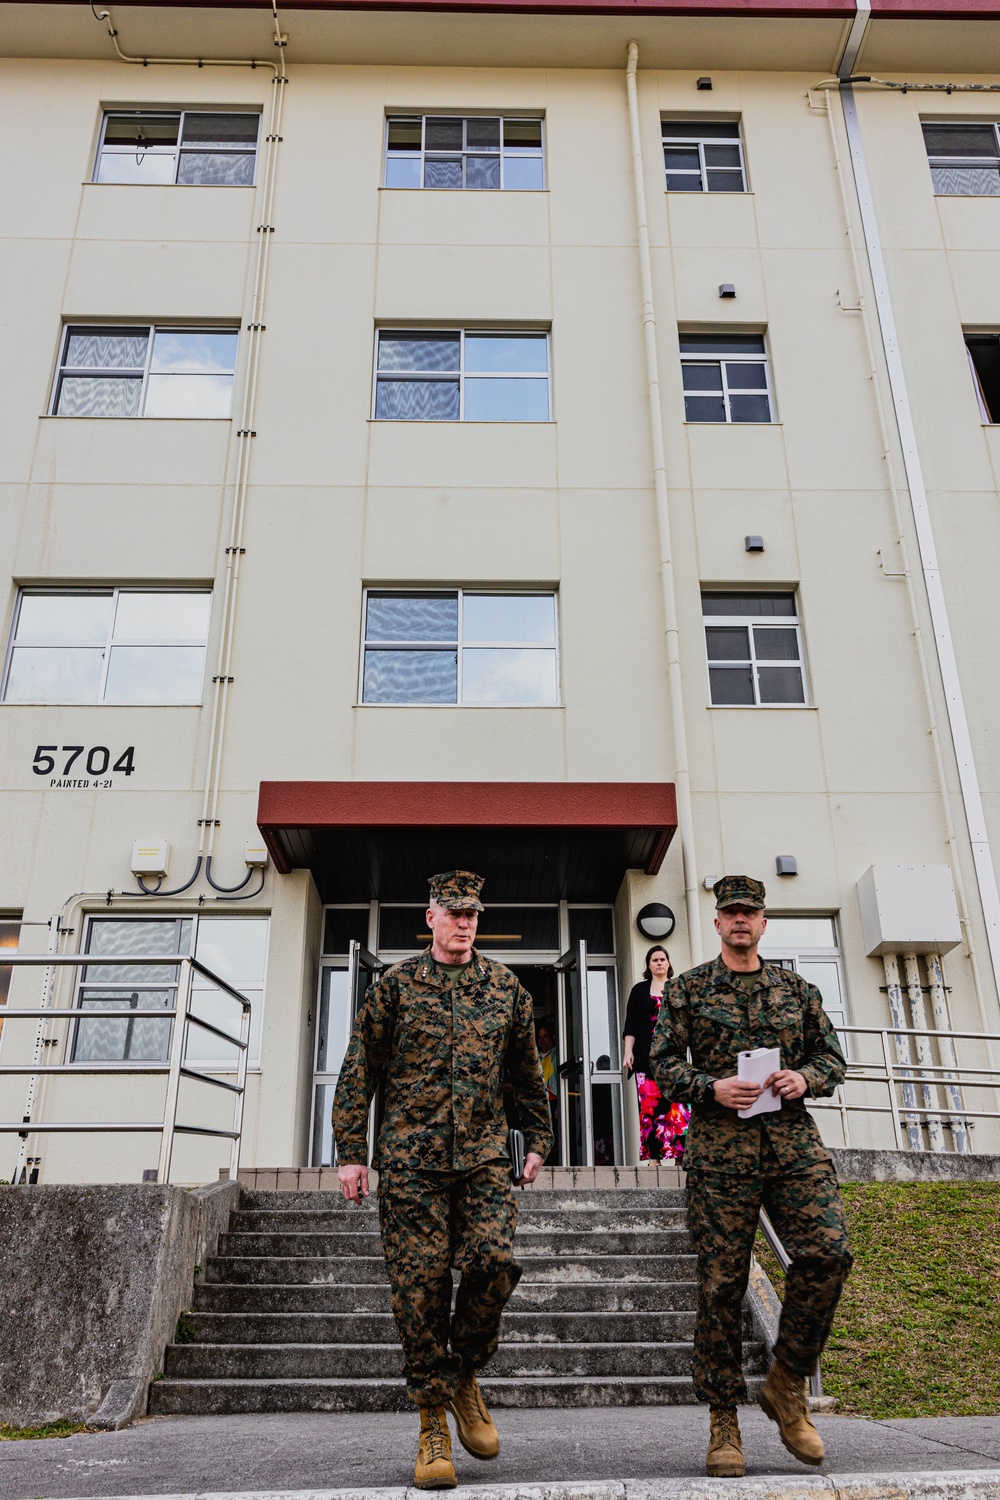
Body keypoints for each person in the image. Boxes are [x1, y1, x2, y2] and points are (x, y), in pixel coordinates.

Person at [332, 870, 553, 1491]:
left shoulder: (505, 988)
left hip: (483, 1158)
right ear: (429, 917)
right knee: (419, 1290)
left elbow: (525, 1075)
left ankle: (462, 1375)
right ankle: (432, 1421)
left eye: (472, 915)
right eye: (452, 913)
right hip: (410, 1164)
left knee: (494, 1263)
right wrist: (352, 1152)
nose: (463, 923)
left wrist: (538, 1141)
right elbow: (358, 1072)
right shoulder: (395, 987)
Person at [650, 876, 853, 1480]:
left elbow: (832, 1058)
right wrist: (707, 1087)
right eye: (731, 912)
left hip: (792, 1146)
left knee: (829, 1253)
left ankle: (787, 1381)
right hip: (719, 1152)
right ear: (716, 923)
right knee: (720, 1287)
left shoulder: (797, 989)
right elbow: (660, 1063)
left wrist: (806, 1079)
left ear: (764, 922)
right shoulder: (687, 991)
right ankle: (723, 1420)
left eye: (751, 912)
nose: (741, 920)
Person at [622, 945, 690, 1163]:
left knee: (677, 1110)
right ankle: (654, 1158)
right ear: (648, 965)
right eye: (655, 960)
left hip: (674, 1062)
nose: (659, 963)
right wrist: (628, 1052)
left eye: (663, 959)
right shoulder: (639, 991)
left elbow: (689, 1024)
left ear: (668, 963)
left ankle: (680, 1157)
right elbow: (630, 1025)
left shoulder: (678, 989)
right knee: (649, 1111)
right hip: (645, 1061)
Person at [534, 1020, 560, 1163]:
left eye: (545, 1036)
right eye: (539, 1037)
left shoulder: (558, 1054)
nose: (542, 1040)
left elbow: (561, 1080)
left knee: (553, 1135)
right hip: (538, 1101)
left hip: (553, 1101)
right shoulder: (535, 1056)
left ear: (553, 1038)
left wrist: (560, 1104)